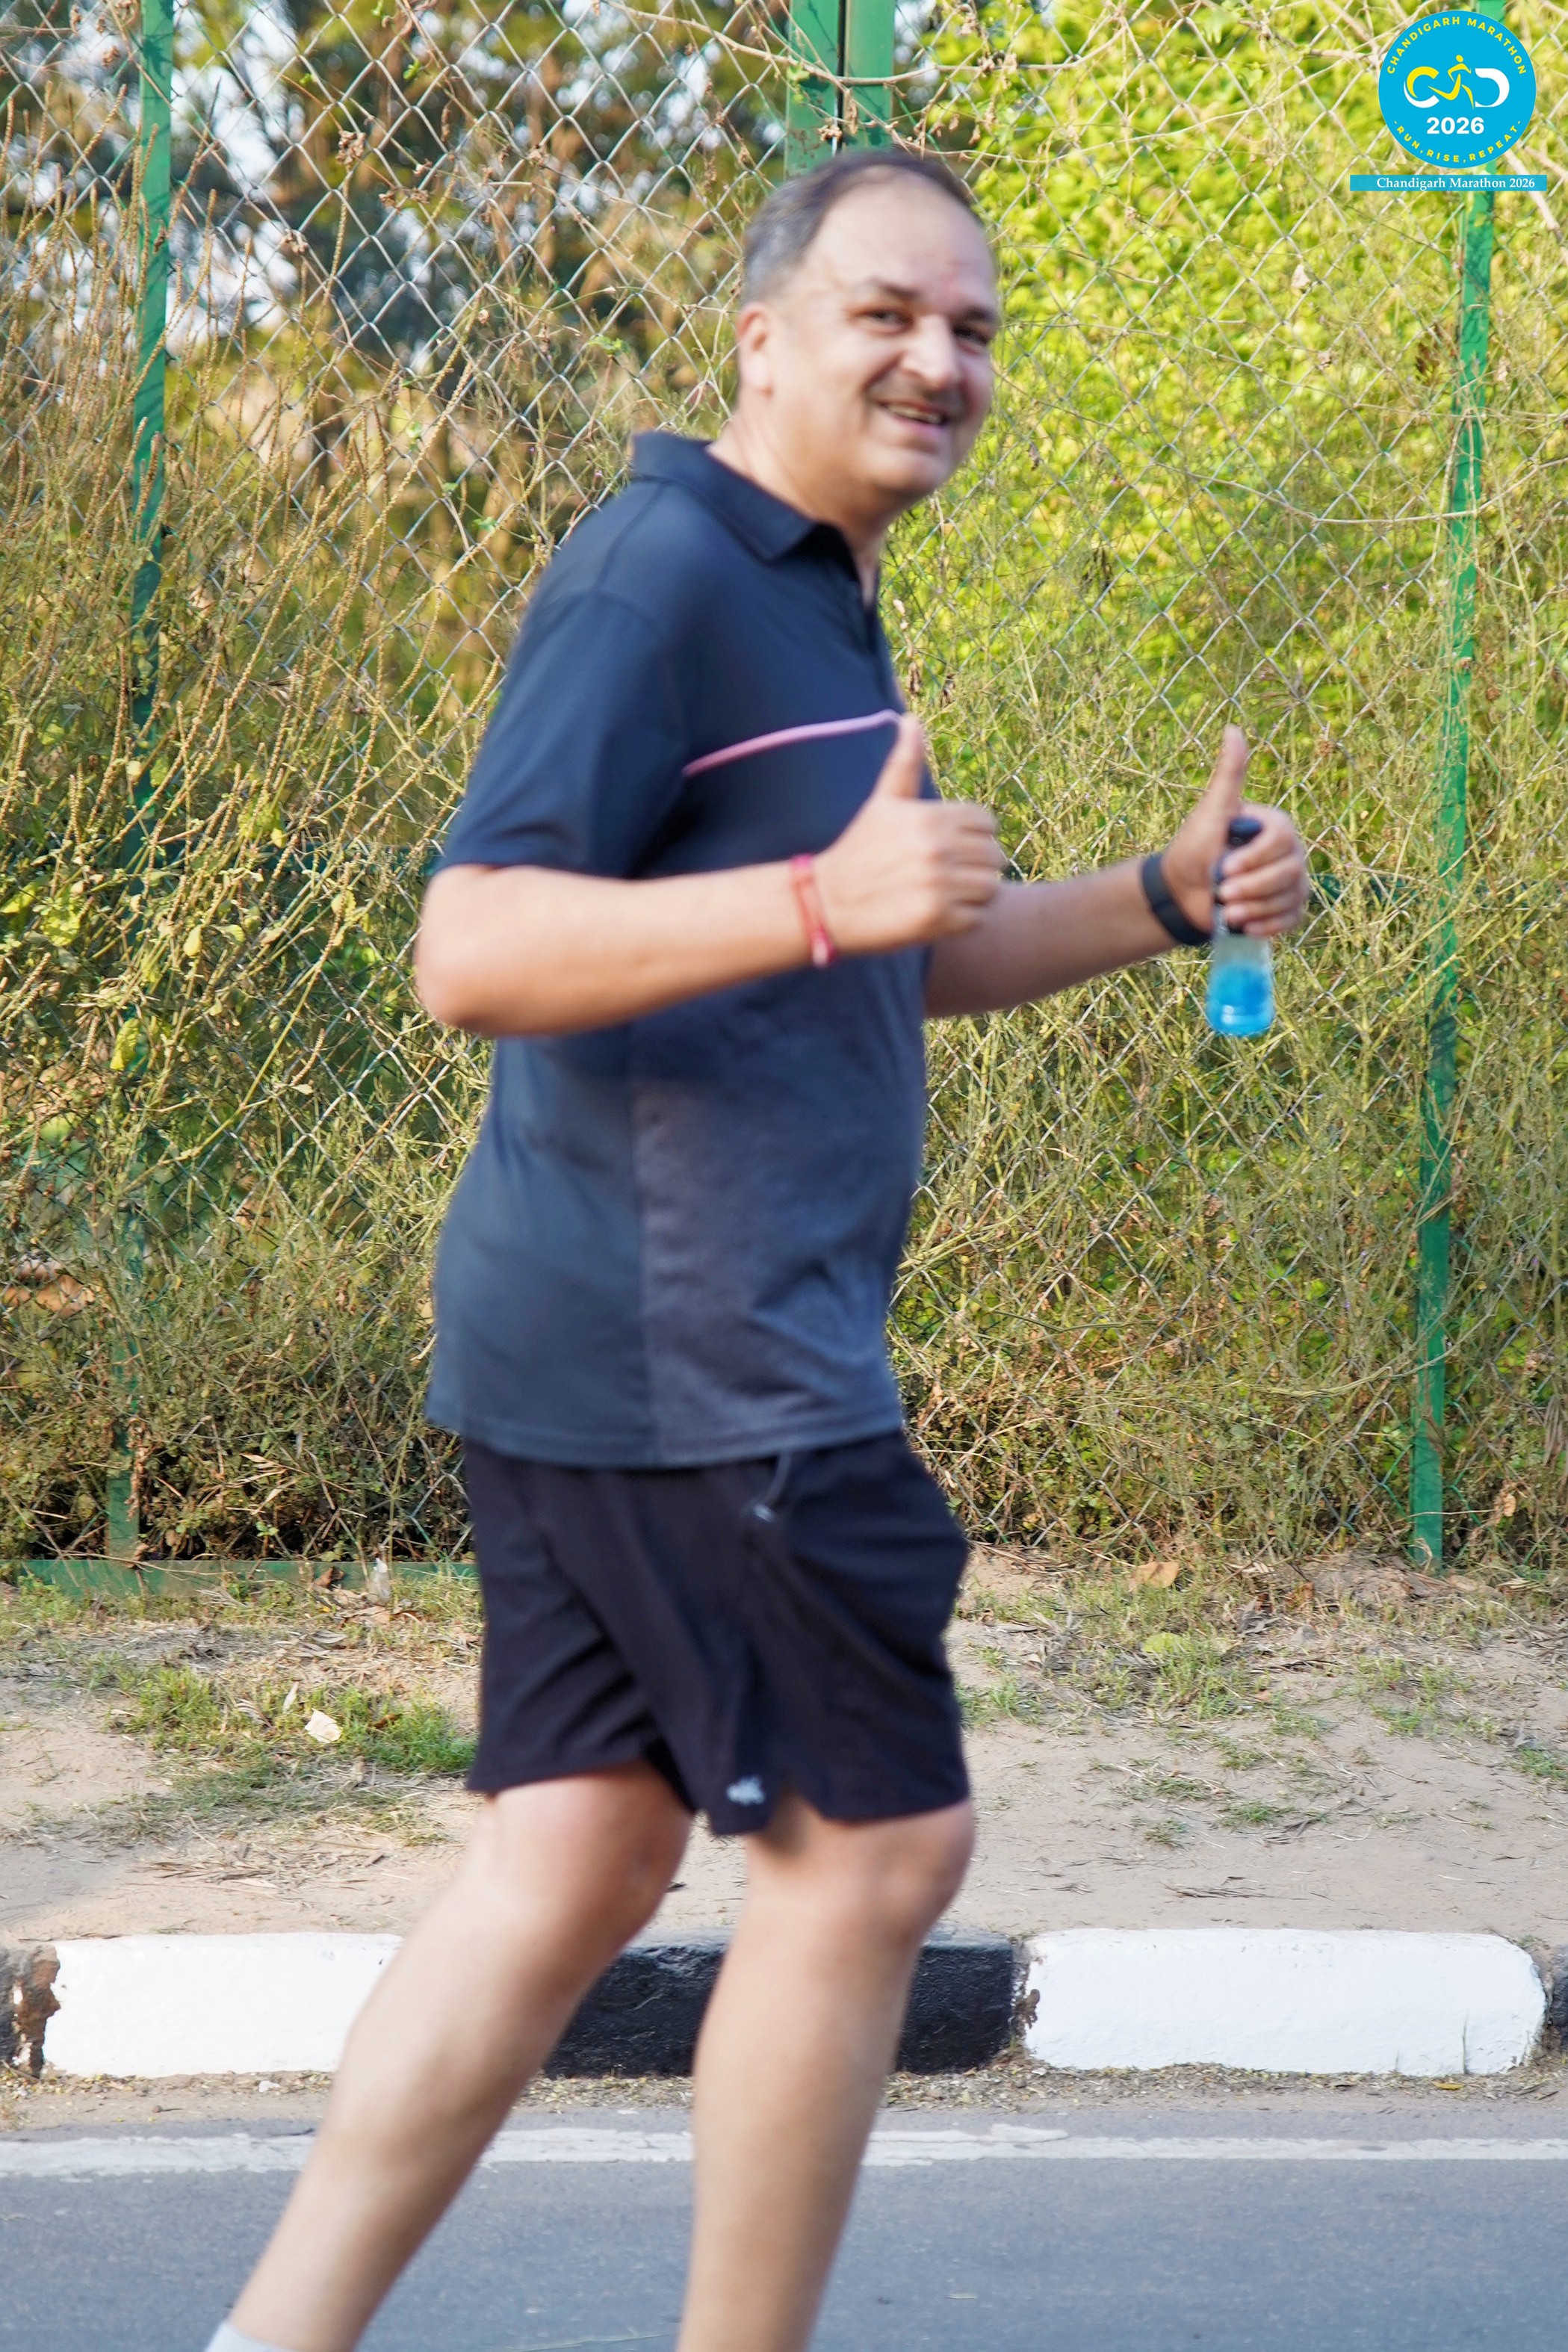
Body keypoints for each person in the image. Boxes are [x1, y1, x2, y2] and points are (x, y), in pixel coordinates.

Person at [209, 146, 1308, 2352]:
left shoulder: (806, 591)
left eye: (973, 329)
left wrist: (1154, 901)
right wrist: (823, 896)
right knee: (873, 1853)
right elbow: (471, 943)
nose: (937, 362)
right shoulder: (665, 577)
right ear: (760, 337)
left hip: (610, 1338)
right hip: (705, 1355)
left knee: (570, 1861)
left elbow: (881, 951)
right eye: (887, 314)